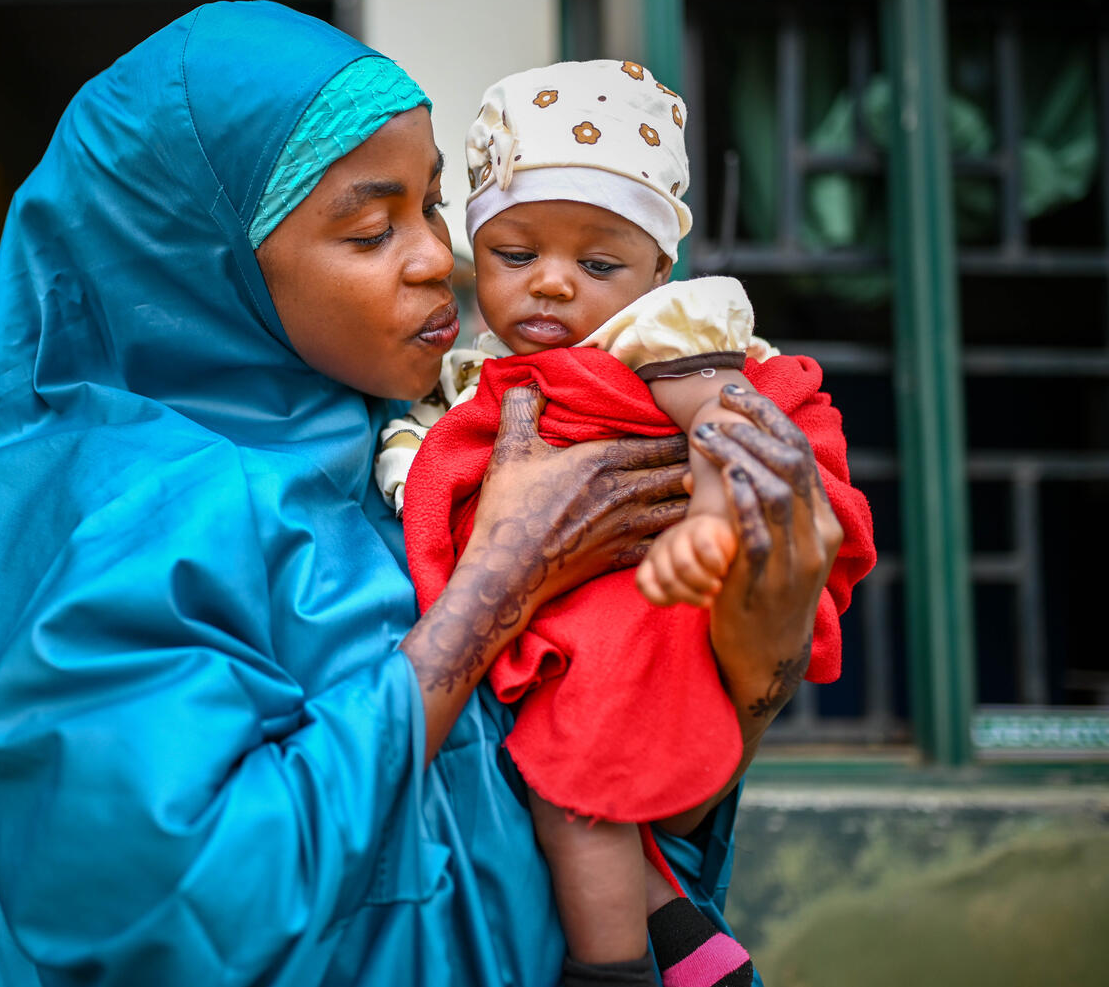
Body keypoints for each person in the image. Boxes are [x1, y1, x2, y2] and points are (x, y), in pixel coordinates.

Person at [0, 2, 846, 987]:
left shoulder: (424, 450)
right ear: (212, 264)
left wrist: (760, 645)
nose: (435, 257)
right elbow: (172, 912)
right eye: (373, 229)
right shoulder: (128, 532)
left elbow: (595, 778)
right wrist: (496, 584)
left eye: (431, 205)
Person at [375, 61, 876, 986]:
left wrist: (712, 528)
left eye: (598, 264)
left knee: (579, 794)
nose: (552, 286)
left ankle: (611, 970)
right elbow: (437, 440)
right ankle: (691, 945)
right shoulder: (468, 368)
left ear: (658, 272)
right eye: (514, 256)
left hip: (642, 603)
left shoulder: (661, 336)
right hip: (554, 603)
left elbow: (737, 429)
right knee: (548, 781)